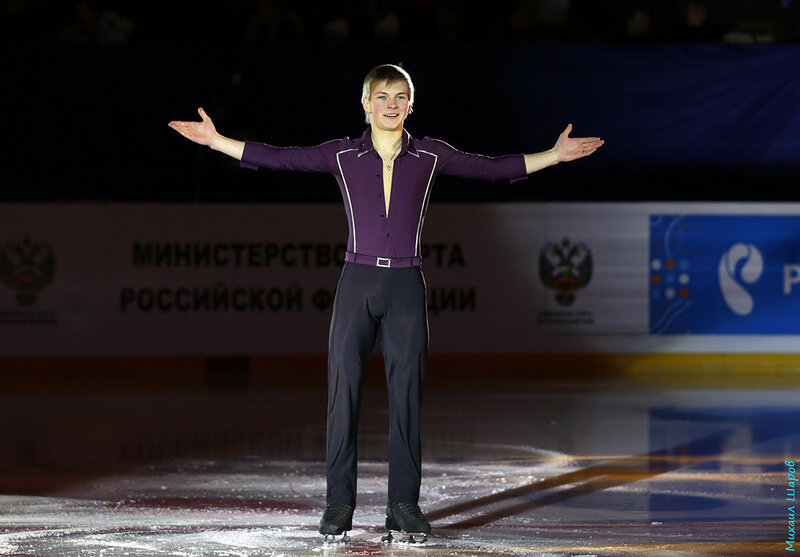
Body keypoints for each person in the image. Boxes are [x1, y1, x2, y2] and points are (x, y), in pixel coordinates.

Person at [168, 63, 603, 543]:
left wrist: (554, 155)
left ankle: (404, 506)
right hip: (356, 282)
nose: (391, 104)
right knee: (343, 395)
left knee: (407, 398)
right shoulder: (340, 154)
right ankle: (339, 504)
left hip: (406, 286)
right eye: (383, 96)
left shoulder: (432, 155)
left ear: (410, 104)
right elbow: (280, 158)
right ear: (366, 103)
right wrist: (217, 142)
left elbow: (492, 168)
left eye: (400, 96)